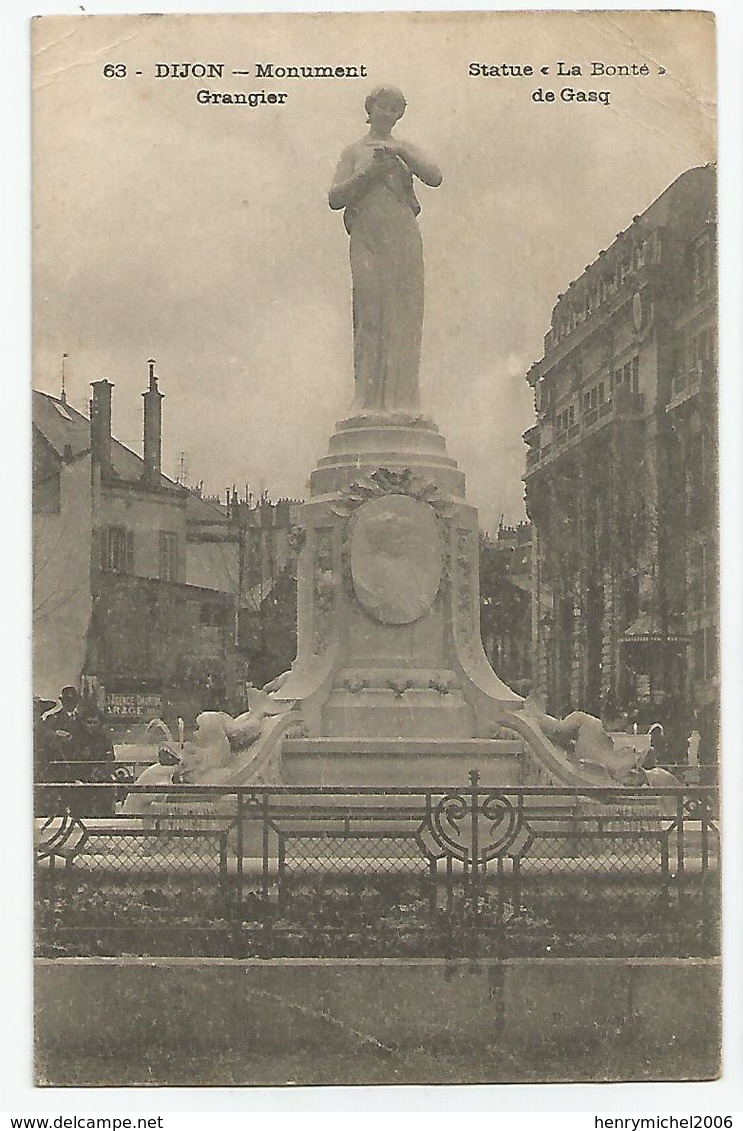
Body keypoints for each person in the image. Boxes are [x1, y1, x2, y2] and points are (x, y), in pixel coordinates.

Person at [329, 86, 442, 416]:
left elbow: (435, 177)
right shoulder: (354, 151)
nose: (387, 113)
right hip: (367, 236)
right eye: (382, 105)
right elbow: (335, 197)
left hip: (403, 234)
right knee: (370, 311)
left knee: (404, 314)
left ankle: (403, 401)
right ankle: (367, 401)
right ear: (370, 107)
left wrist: (401, 156)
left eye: (395, 108)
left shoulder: (405, 150)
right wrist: (369, 173)